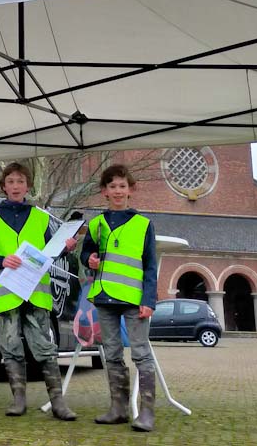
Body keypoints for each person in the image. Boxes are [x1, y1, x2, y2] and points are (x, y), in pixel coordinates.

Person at [0, 162, 77, 420]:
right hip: (6, 294)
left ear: (27, 186)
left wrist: (66, 247)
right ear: (3, 186)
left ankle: (58, 403)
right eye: (10, 181)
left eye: (20, 181)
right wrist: (1, 260)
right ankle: (18, 400)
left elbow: (51, 252)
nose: (15, 186)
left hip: (35, 293)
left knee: (44, 348)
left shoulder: (41, 217)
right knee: (10, 348)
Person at [80, 164, 158, 432]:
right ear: (104, 191)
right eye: (112, 186)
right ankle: (118, 409)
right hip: (104, 298)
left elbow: (150, 266)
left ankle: (147, 413)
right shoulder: (96, 224)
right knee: (111, 355)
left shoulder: (143, 225)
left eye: (122, 186)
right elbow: (85, 255)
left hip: (134, 301)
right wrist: (87, 259)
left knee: (141, 354)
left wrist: (149, 301)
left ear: (130, 190)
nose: (117, 191)